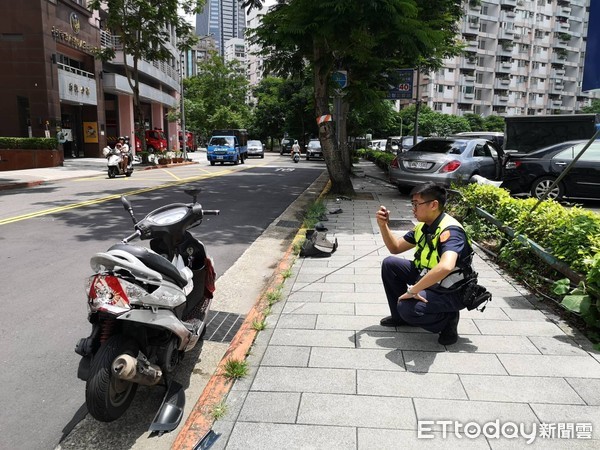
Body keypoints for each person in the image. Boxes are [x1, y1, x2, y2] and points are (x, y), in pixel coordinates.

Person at [375, 182, 474, 345]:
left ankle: (448, 319)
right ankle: (401, 318)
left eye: (416, 204)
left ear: (434, 205)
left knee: (408, 307)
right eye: (412, 204)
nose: (413, 209)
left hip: (450, 289)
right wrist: (383, 225)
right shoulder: (423, 227)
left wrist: (413, 291)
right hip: (429, 276)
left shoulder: (451, 231)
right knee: (390, 264)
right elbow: (395, 248)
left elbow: (446, 266)